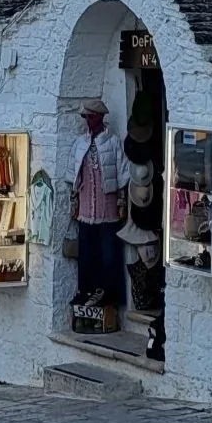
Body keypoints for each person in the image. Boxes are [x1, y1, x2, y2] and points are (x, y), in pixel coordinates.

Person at [72, 102, 126, 308]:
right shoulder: (80, 143)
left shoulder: (112, 142)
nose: (89, 121)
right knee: (87, 251)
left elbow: (121, 173)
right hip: (86, 207)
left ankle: (108, 293)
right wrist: (74, 201)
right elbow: (76, 177)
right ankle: (86, 290)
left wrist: (121, 201)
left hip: (107, 208)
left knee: (108, 252)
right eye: (86, 117)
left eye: (92, 117)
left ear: (101, 117)